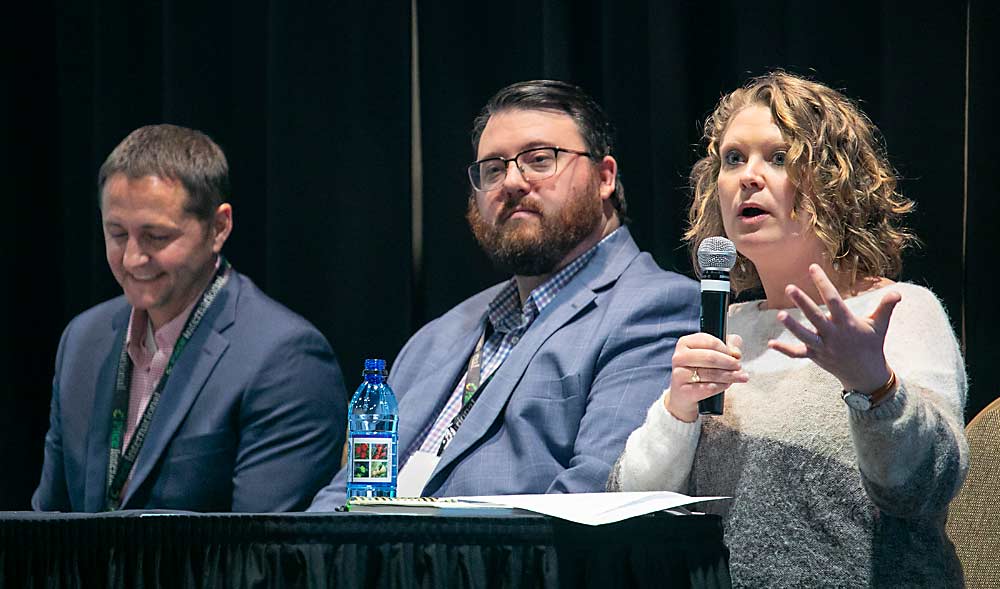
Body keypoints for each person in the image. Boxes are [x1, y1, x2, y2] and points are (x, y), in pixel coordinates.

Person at [607, 72, 969, 587]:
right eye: (733, 159)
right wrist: (677, 412)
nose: (747, 177)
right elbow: (630, 508)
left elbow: (925, 490)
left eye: (778, 158)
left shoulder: (898, 311)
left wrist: (875, 386)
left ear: (836, 185)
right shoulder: (724, 326)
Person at [310, 80, 699, 507]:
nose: (512, 181)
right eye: (493, 168)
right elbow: (347, 491)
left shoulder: (655, 308)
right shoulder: (435, 337)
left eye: (539, 159)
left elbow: (592, 502)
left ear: (604, 177)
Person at [33, 124, 348, 512]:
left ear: (219, 227)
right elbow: (47, 528)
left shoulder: (286, 358)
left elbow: (263, 557)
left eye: (157, 237)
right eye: (117, 233)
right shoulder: (83, 340)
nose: (132, 258)